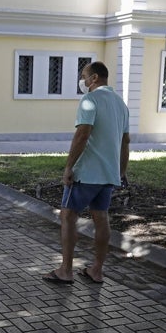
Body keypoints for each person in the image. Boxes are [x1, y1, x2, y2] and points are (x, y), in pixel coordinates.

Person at [43, 61, 130, 285]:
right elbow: (125, 141)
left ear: (94, 78)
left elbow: (82, 134)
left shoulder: (90, 100)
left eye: (84, 76)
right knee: (101, 217)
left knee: (68, 216)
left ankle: (66, 270)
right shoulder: (121, 104)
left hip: (87, 173)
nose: (82, 81)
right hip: (108, 174)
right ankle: (96, 271)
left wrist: (69, 166)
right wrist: (120, 171)